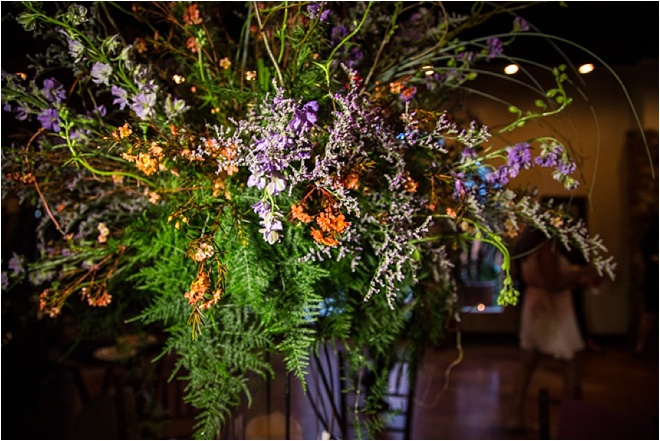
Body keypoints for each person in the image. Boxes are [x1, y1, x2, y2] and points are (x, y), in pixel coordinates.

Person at [506, 227, 596, 431]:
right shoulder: (546, 247)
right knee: (570, 363)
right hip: (552, 310)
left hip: (535, 306)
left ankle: (515, 416)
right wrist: (582, 272)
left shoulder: (525, 247)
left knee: (528, 363)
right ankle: (574, 423)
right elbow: (553, 284)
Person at [633, 219, 658, 357]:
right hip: (654, 281)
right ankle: (640, 346)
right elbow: (651, 259)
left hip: (653, 280)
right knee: (649, 314)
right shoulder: (650, 241)